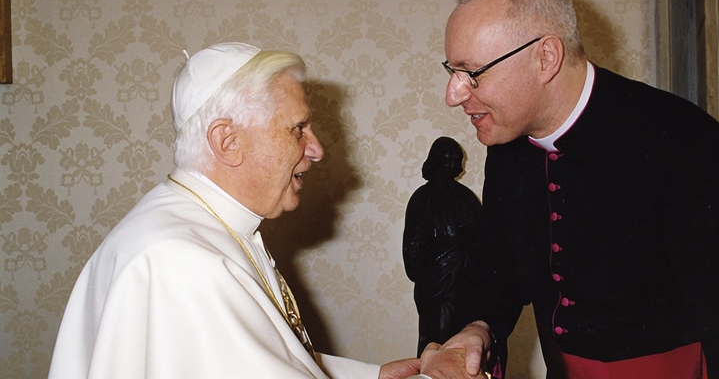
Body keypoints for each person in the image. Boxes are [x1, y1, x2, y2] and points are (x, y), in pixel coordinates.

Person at [47, 42, 490, 379]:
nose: (316, 149)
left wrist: (370, 376)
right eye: (297, 128)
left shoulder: (195, 227)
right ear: (227, 141)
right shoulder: (181, 263)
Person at [438, 0, 719, 378]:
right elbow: (498, 261)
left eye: (472, 72)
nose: (453, 94)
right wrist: (476, 326)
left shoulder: (687, 141)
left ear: (546, 57)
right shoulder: (508, 145)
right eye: (453, 70)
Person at [403, 137, 482, 357]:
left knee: (461, 339)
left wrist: (469, 240)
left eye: (454, 161)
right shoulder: (422, 198)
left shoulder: (466, 198)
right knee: (434, 339)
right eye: (445, 161)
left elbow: (483, 239)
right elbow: (412, 241)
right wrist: (419, 259)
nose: (450, 166)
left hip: (463, 278)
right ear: (435, 162)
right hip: (435, 281)